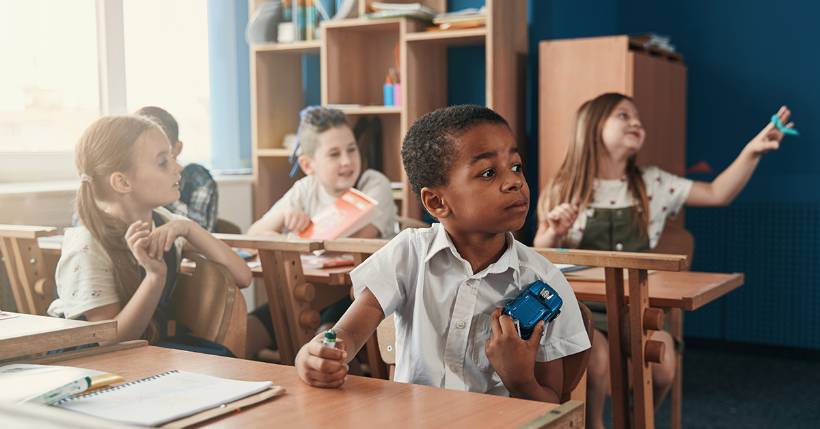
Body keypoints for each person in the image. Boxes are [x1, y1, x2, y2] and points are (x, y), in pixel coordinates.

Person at [294, 105, 590, 401]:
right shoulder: (409, 252)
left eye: (516, 166)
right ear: (436, 202)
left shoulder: (544, 281)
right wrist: (314, 356)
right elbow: (347, 336)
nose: (515, 181)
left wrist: (521, 380)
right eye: (488, 172)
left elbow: (554, 408)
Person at [533, 93, 794, 428]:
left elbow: (717, 193)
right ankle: (594, 423)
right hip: (583, 309)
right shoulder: (563, 189)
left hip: (638, 307)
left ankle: (637, 422)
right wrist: (552, 232)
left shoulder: (652, 182)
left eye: (638, 116)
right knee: (595, 361)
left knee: (663, 363)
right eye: (623, 115)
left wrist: (751, 152)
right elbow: (543, 252)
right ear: (592, 126)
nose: (636, 122)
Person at [47, 116, 252, 355]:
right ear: (122, 182)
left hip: (146, 348)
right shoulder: (87, 246)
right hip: (94, 362)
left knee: (222, 360)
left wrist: (188, 228)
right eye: (163, 162)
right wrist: (155, 277)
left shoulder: (163, 222)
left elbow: (243, 276)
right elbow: (109, 341)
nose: (179, 167)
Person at [245, 106, 398, 359]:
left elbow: (357, 239)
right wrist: (285, 218)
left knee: (326, 340)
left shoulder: (372, 183)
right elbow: (253, 236)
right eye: (334, 154)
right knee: (245, 332)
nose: (347, 161)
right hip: (307, 293)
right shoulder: (305, 189)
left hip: (357, 298)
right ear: (308, 164)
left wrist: (296, 238)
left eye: (351, 149)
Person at [135, 106, 219, 232]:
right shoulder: (134, 182)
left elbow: (197, 233)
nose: (178, 168)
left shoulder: (197, 177)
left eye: (164, 158)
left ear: (177, 148)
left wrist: (161, 193)